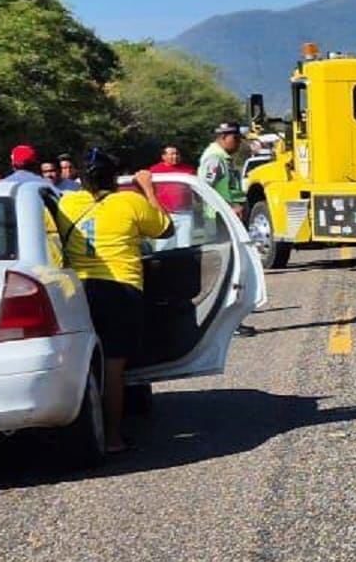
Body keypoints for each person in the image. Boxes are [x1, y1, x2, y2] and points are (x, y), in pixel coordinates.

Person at [56, 149, 173, 455]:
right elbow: (165, 229)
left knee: (85, 363)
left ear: (81, 178)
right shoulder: (129, 201)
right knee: (113, 368)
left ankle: (82, 431)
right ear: (114, 177)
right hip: (121, 290)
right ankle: (113, 437)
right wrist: (147, 188)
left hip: (77, 290)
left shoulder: (66, 203)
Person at [198, 123, 247, 216]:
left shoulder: (223, 157)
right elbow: (205, 188)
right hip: (218, 216)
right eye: (236, 138)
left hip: (227, 214)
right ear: (223, 137)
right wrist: (230, 207)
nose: (239, 142)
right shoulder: (214, 158)